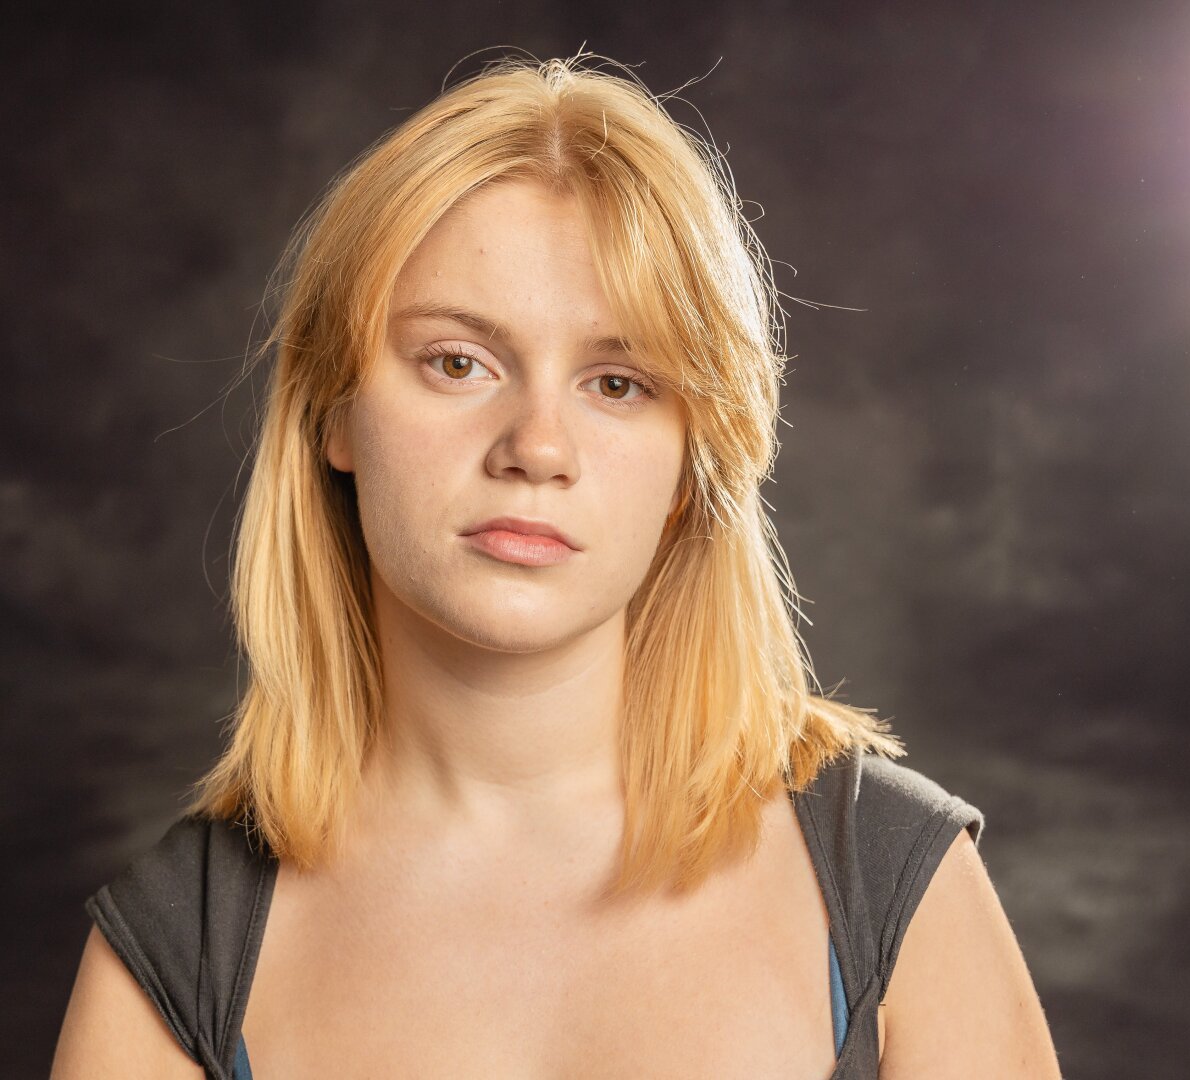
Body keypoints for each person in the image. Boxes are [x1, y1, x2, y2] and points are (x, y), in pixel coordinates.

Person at [51, 52, 1061, 1079]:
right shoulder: (177, 950)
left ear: (691, 462)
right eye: (457, 362)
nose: (537, 446)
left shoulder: (894, 881)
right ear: (332, 409)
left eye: (617, 383)